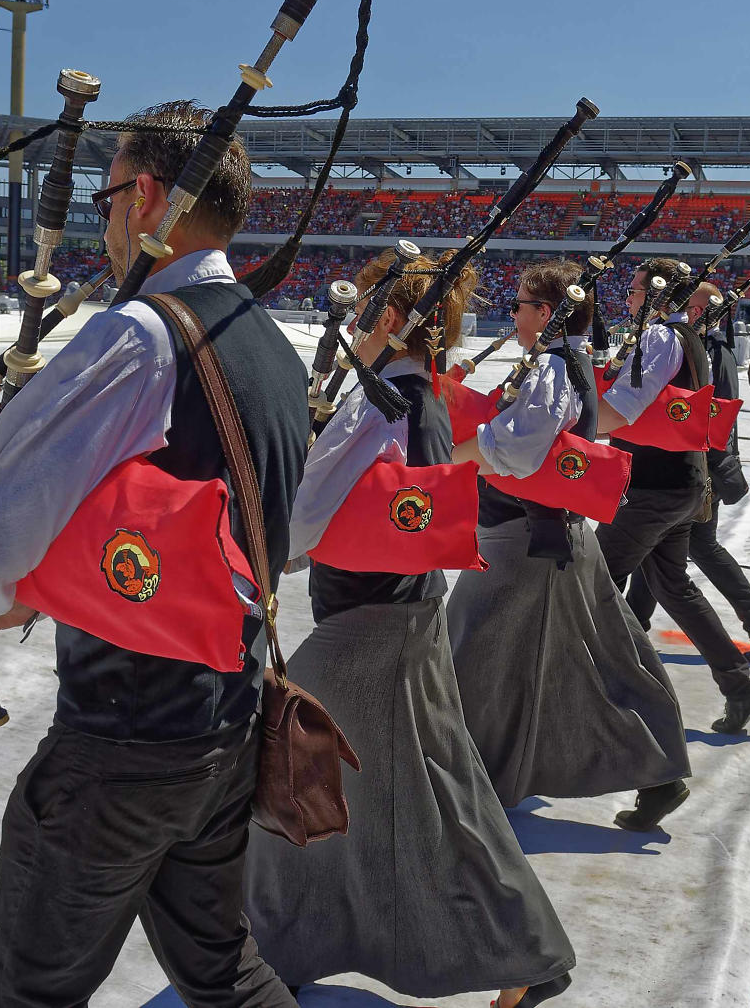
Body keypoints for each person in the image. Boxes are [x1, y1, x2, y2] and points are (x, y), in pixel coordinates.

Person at [0, 101, 307, 1008]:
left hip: (122, 745)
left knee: (29, 990)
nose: (104, 220)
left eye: (106, 196)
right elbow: (208, 539)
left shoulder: (139, 335)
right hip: (227, 727)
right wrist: (41, 597)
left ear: (145, 197)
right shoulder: (272, 345)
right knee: (223, 973)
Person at [244, 248, 575, 1008]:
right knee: (432, 795)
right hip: (406, 614)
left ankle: (280, 942)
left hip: (367, 629)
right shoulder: (417, 395)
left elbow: (299, 522)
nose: (356, 323)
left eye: (367, 310)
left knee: (299, 774)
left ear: (391, 318)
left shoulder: (379, 402)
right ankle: (519, 955)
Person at [446, 259, 691, 815]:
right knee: (604, 656)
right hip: (554, 534)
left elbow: (518, 450)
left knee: (471, 655)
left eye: (520, 305)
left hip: (525, 540)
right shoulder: (563, 362)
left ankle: (468, 783)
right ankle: (657, 770)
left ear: (545, 313)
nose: (513, 315)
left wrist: (449, 453)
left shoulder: (554, 369)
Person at [596, 258, 750, 755]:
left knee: (594, 579)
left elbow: (626, 406)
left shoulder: (661, 337)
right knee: (673, 587)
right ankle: (740, 686)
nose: (629, 299)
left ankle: (616, 691)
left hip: (653, 487)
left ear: (657, 295)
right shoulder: (688, 337)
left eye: (635, 291)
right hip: (680, 483)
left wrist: (569, 425)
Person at [627, 279, 750, 658]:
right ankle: (634, 625)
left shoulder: (709, 352)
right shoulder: (712, 348)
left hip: (702, 466)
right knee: (662, 550)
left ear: (697, 312)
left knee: (687, 547)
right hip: (700, 464)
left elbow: (712, 417)